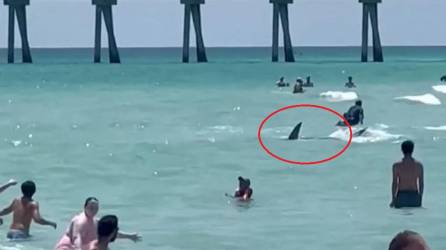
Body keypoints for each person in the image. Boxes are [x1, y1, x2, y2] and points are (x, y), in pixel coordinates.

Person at [55, 197, 140, 250]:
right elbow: (77, 238)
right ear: (85, 207)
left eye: (96, 208)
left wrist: (129, 236)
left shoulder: (94, 221)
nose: (94, 210)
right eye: (91, 207)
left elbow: (108, 232)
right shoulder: (80, 221)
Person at [390, 140, 424, 209]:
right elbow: (421, 183)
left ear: (402, 150)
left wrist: (393, 199)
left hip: (401, 195)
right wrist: (420, 198)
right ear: (413, 150)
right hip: (414, 195)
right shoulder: (419, 165)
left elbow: (395, 183)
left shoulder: (396, 165)